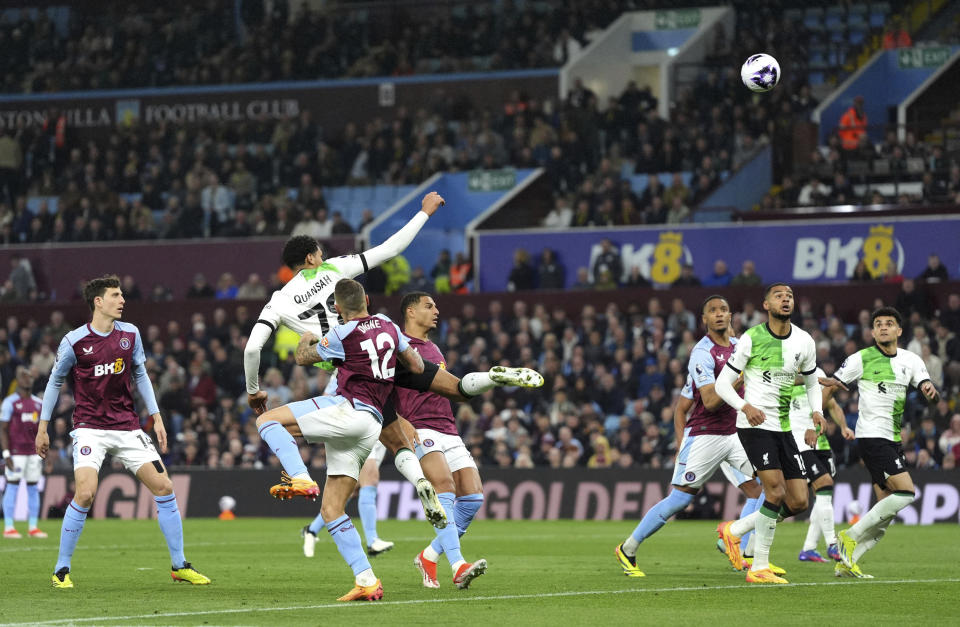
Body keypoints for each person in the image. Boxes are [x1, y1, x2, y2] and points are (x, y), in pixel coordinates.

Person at [242, 196, 543, 550]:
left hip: (351, 371)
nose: (322, 258)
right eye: (320, 254)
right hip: (384, 345)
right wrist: (425, 212)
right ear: (311, 258)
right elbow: (390, 248)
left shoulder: (278, 301)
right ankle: (491, 377)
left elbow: (252, 349)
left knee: (388, 439)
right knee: (459, 389)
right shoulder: (335, 270)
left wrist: (254, 390)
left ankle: (414, 485)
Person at [36, 275, 210, 588]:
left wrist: (155, 416)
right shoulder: (74, 341)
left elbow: (141, 374)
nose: (122, 300)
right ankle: (61, 570)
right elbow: (54, 383)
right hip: (90, 428)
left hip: (127, 427)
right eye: (116, 295)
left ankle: (179, 565)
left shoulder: (130, 334)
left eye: (122, 295)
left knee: (164, 487)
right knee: (86, 492)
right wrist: (43, 427)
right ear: (98, 302)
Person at [255, 279, 423, 601]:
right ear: (367, 299)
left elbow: (304, 358)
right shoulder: (388, 324)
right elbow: (414, 364)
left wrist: (307, 336)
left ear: (336, 308)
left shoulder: (343, 333)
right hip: (372, 426)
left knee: (266, 420)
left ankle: (300, 477)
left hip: (347, 409)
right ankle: (367, 581)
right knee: (333, 510)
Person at [615, 296, 762, 576]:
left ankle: (735, 543)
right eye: (712, 311)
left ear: (731, 316)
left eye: (723, 310)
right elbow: (708, 402)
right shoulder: (702, 353)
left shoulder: (738, 347)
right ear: (704, 319)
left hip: (736, 434)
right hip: (706, 436)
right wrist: (741, 378)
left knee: (767, 486)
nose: (719, 315)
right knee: (680, 500)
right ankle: (628, 548)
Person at [715, 283, 826, 584]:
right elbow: (722, 385)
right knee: (775, 492)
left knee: (800, 500)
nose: (785, 299)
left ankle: (734, 531)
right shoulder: (751, 339)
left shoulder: (804, 341)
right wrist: (744, 406)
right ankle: (759, 565)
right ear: (766, 305)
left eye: (789, 296)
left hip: (784, 427)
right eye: (778, 296)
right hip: (754, 426)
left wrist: (817, 412)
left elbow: (813, 382)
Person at [824, 306, 940, 578]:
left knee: (884, 515)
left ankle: (847, 562)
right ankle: (849, 535)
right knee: (907, 492)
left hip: (893, 438)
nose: (884, 327)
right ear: (872, 331)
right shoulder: (860, 358)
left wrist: (930, 393)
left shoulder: (911, 360)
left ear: (899, 331)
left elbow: (929, 392)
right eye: (878, 324)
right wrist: (819, 414)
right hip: (873, 437)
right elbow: (830, 386)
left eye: (889, 323)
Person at [394, 291, 487, 589]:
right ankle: (458, 565)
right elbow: (381, 387)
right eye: (428, 306)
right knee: (443, 487)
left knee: (472, 498)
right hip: (420, 428)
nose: (436, 310)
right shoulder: (396, 346)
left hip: (448, 428)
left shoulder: (433, 349)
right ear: (410, 311)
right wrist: (399, 420)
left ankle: (429, 555)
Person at [791, 368, 853, 563]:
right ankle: (832, 543)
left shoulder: (817, 371)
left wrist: (843, 426)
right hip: (798, 442)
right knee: (823, 485)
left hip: (821, 442)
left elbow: (832, 405)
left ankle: (809, 548)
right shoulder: (784, 372)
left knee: (823, 495)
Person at [1, 367, 46, 538]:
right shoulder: (9, 402)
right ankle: (9, 527)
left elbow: (42, 430)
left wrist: (44, 451)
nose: (28, 379)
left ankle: (33, 527)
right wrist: (6, 453)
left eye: (29, 377)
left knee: (33, 487)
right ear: (18, 380)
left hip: (33, 453)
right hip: (16, 453)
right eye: (23, 377)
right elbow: (3, 429)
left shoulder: (38, 403)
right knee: (12, 486)